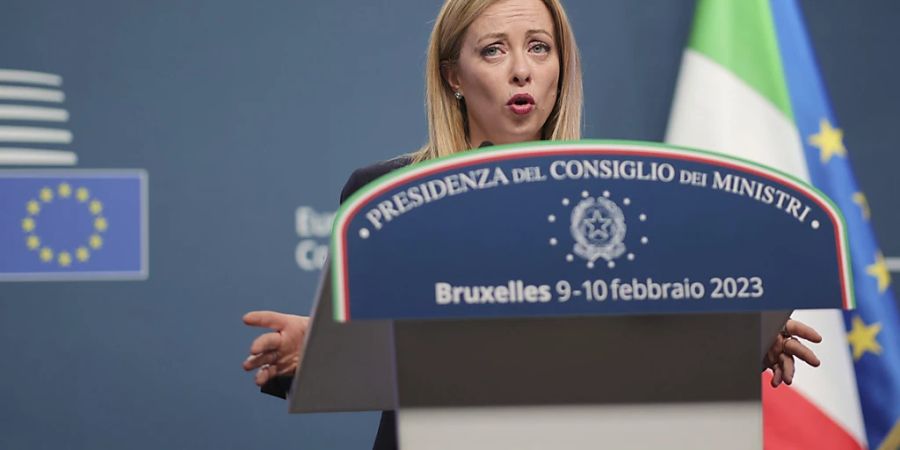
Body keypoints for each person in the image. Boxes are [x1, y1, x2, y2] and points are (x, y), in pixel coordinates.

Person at [242, 0, 823, 447]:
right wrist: (314, 352)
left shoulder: (620, 197)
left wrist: (736, 339)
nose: (522, 70)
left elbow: (637, 361)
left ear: (560, 67)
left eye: (539, 48)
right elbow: (356, 367)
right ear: (453, 75)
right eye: (494, 50)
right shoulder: (382, 196)